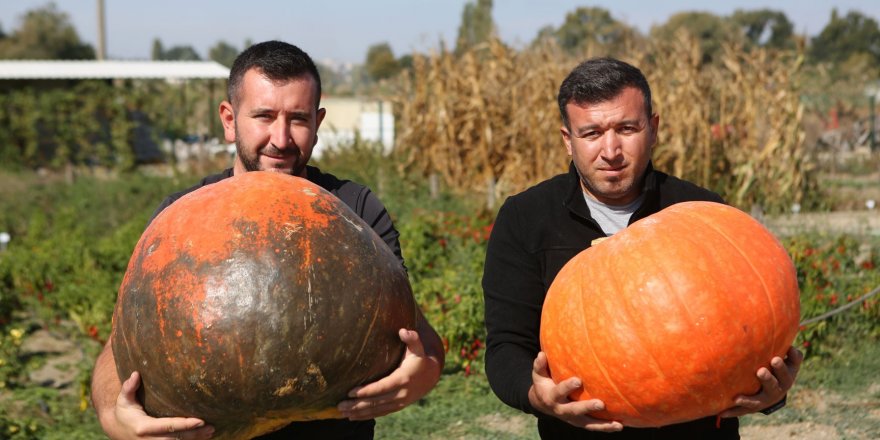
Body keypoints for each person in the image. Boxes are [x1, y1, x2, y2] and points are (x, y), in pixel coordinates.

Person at [90, 40, 445, 440]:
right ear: (228, 119)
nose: (281, 138)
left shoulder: (354, 208)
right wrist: (113, 415)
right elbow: (119, 344)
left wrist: (424, 371)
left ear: (318, 121)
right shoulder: (180, 215)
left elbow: (415, 327)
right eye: (263, 116)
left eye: (298, 119)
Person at [481, 57, 803, 439]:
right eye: (592, 133)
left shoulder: (703, 212)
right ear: (568, 140)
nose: (611, 150)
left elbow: (753, 326)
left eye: (626, 128)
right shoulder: (526, 217)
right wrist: (537, 394)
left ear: (653, 128)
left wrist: (771, 392)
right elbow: (505, 348)